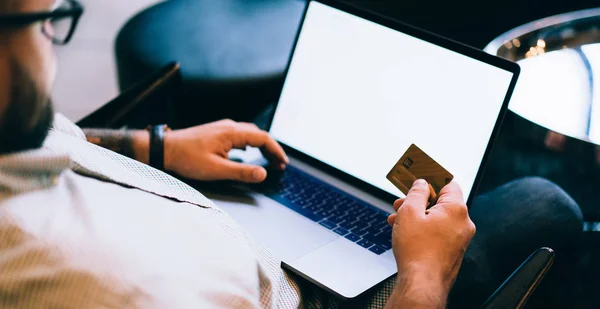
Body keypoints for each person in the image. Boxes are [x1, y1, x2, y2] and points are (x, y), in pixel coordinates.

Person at [0, 0, 583, 308]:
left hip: (208, 213)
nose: (53, 47)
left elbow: (53, 136)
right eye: (48, 23)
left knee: (280, 141)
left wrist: (156, 146)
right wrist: (425, 276)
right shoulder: (103, 288)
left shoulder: (14, 136)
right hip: (304, 294)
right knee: (544, 201)